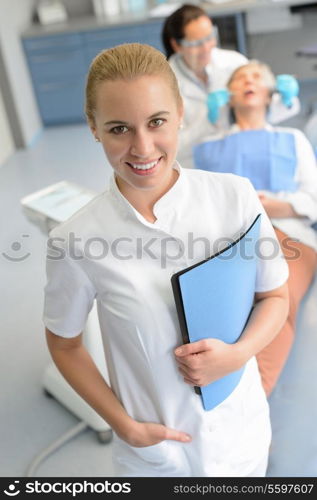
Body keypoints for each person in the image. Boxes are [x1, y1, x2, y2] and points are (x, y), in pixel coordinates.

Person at [43, 43, 289, 477]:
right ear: (93, 127)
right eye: (119, 128)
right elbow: (64, 343)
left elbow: (274, 296)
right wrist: (124, 426)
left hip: (239, 433)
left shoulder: (233, 196)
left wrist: (238, 355)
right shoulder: (75, 240)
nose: (142, 148)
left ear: (179, 112)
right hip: (156, 456)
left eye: (157, 122)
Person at [193, 60, 317, 396]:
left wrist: (270, 206)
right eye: (239, 78)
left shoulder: (292, 139)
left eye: (257, 78)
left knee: (279, 297)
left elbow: (313, 197)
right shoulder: (206, 149)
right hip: (227, 239)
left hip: (285, 235)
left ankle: (257, 394)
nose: (249, 80)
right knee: (219, 304)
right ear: (227, 97)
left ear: (270, 94)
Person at [162, 3, 300, 169]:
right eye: (197, 43)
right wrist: (208, 121)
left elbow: (259, 113)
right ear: (177, 45)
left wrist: (287, 100)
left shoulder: (233, 62)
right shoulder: (164, 84)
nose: (207, 48)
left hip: (244, 153)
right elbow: (167, 148)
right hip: (197, 165)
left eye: (210, 37)